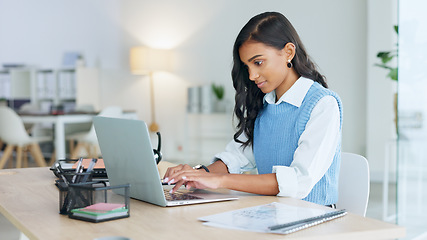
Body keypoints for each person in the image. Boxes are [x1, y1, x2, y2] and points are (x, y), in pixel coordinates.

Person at [163, 11, 343, 206]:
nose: (251, 75)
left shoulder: (323, 104)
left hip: (313, 218)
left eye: (258, 63)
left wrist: (220, 181)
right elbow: (236, 157)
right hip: (273, 212)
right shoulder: (265, 103)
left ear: (288, 52)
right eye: (247, 67)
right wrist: (198, 174)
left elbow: (298, 182)